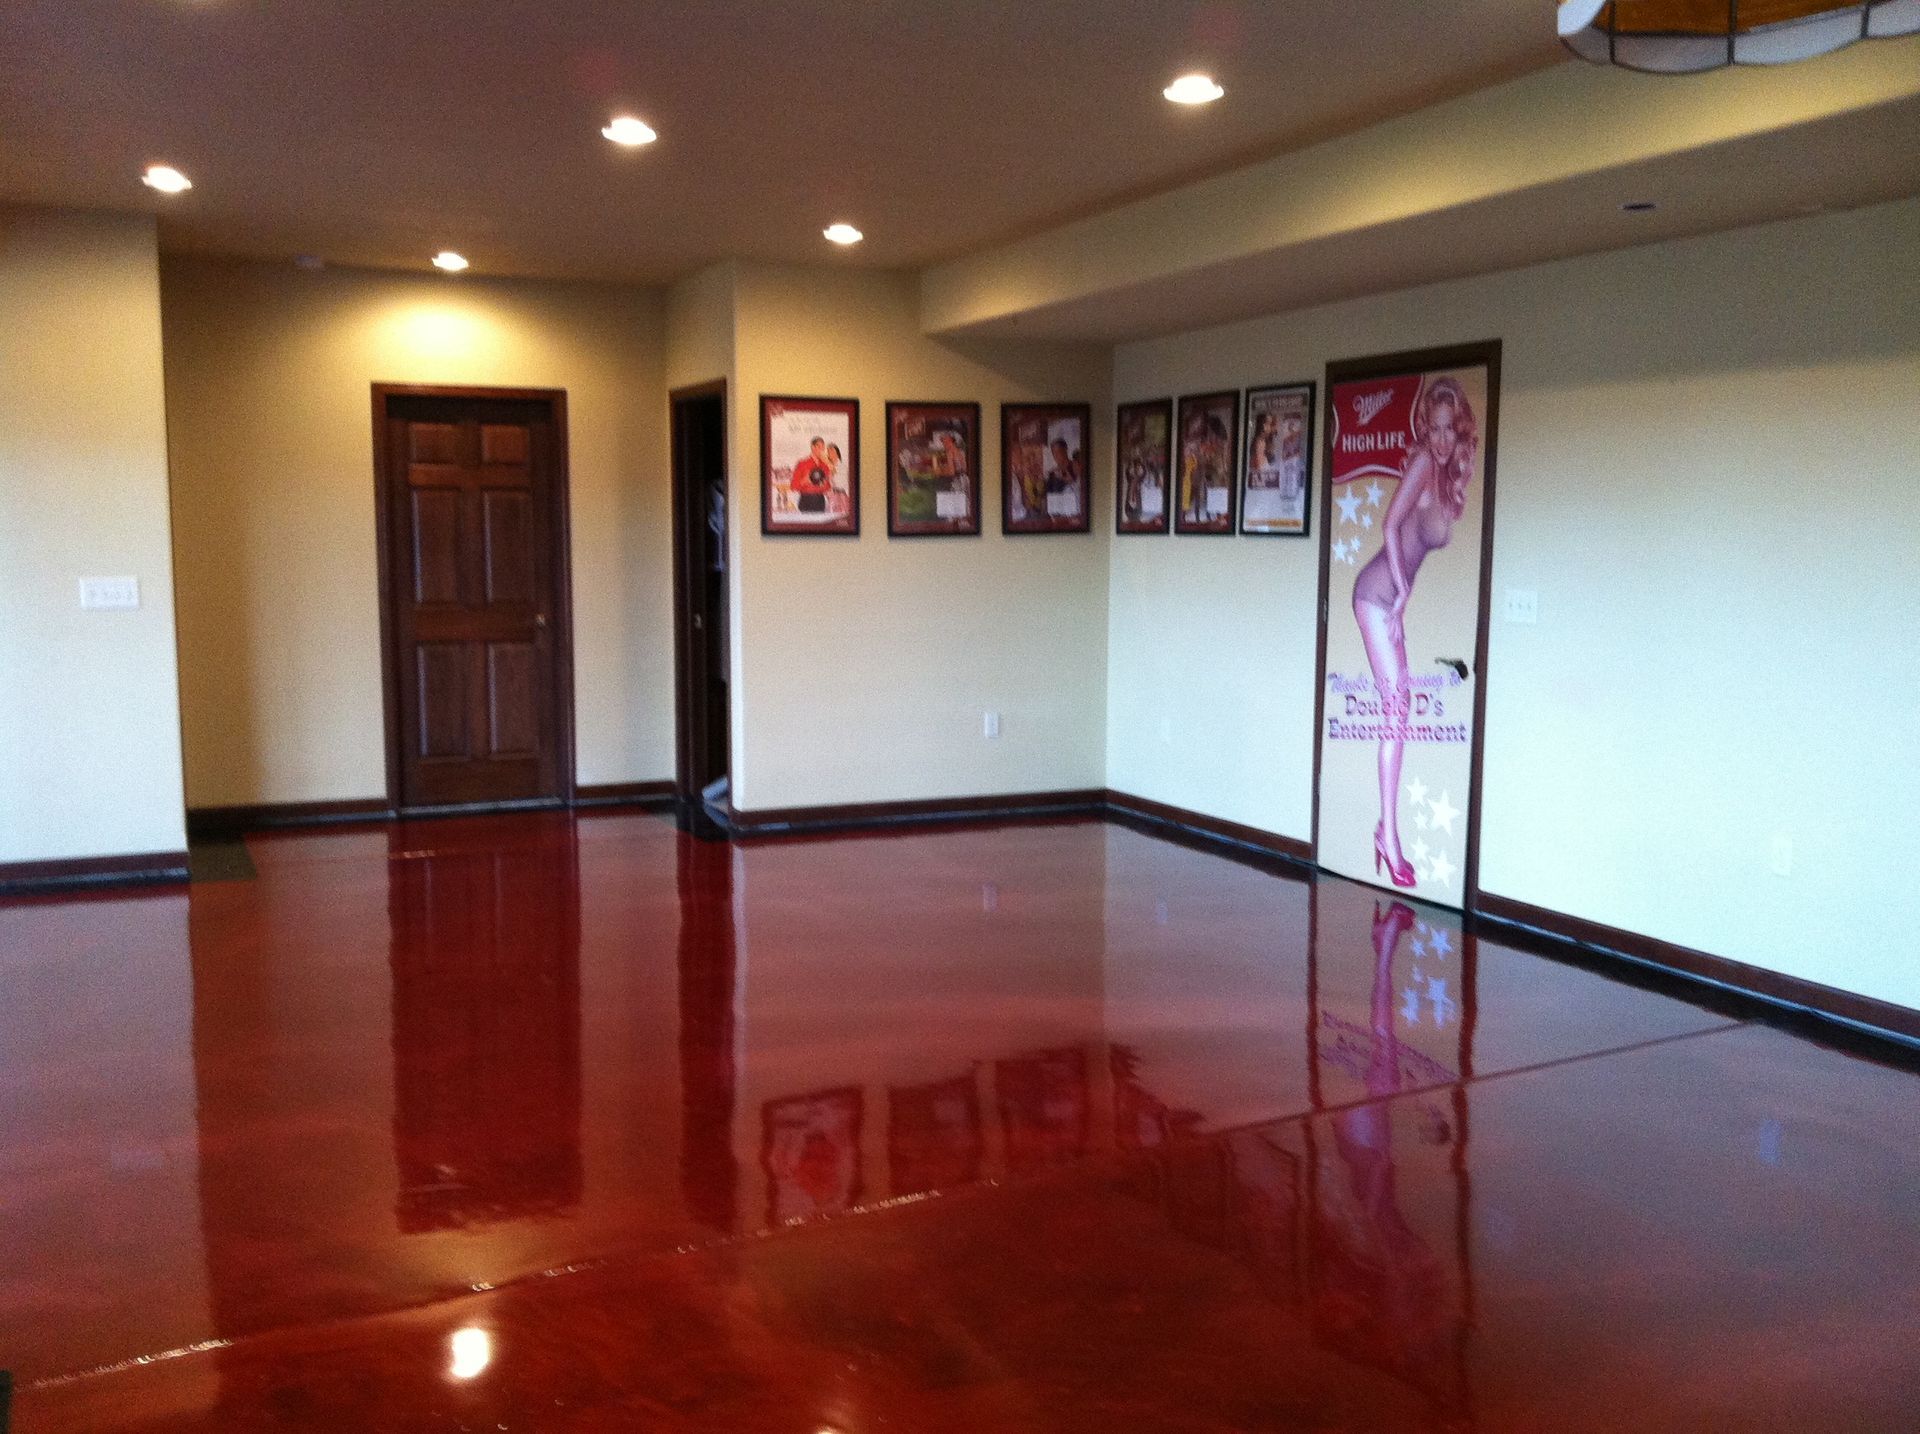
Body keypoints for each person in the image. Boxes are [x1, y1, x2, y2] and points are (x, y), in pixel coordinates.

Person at [1350, 376, 1476, 888]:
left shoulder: (1444, 474)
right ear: (1426, 429)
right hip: (1376, 598)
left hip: (1389, 603)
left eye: (1450, 429)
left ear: (1459, 429)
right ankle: (1389, 836)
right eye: (1435, 428)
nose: (1441, 440)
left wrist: (1402, 599)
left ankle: (1388, 832)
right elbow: (1389, 525)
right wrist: (1402, 594)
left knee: (1398, 716)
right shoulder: (1424, 462)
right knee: (1395, 715)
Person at [789, 435, 832, 514]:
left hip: (820, 501)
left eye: (823, 448)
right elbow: (793, 486)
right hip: (806, 500)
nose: (822, 450)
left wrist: (825, 484)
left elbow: (828, 487)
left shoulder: (825, 466)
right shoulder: (802, 463)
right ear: (812, 447)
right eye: (819, 447)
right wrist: (804, 481)